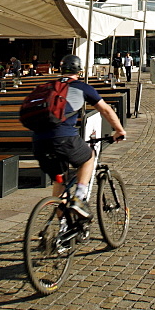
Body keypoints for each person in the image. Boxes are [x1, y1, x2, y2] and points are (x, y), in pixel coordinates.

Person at [31, 54, 126, 219]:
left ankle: (61, 233)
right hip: (63, 138)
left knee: (60, 181)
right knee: (89, 157)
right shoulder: (82, 87)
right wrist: (119, 130)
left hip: (39, 141)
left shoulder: (48, 86)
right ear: (79, 71)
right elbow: (106, 110)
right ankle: (79, 198)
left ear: (61, 70)